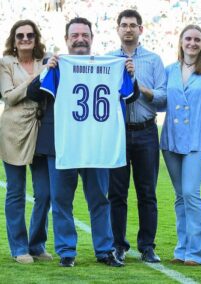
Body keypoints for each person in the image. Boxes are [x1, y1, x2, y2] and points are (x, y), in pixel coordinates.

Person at [27, 17, 138, 268]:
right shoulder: (57, 65)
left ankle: (104, 250)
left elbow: (131, 96)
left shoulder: (110, 65)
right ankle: (67, 251)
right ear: (66, 39)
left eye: (84, 35)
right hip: (63, 143)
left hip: (96, 143)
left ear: (92, 38)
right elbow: (33, 94)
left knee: (99, 198)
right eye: (75, 35)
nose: (80, 39)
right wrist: (47, 69)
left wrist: (130, 74)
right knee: (61, 200)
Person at [160, 24, 201, 266]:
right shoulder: (169, 70)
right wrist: (142, 91)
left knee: (190, 193)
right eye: (188, 38)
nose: (192, 43)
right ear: (180, 41)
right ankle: (182, 249)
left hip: (198, 141)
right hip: (172, 141)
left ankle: (197, 252)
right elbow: (161, 100)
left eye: (197, 39)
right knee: (179, 196)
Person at [108, 9, 166, 263]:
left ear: (141, 29)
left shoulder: (153, 60)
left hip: (145, 132)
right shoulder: (107, 60)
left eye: (133, 25)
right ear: (117, 29)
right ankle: (118, 245)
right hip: (117, 133)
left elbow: (163, 98)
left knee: (147, 192)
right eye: (124, 25)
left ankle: (147, 246)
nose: (128, 29)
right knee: (117, 194)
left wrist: (136, 83)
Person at [0, 20, 52, 264]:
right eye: (20, 35)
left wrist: (48, 70)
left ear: (36, 37)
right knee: (16, 192)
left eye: (30, 35)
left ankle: (37, 244)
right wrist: (37, 79)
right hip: (14, 130)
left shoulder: (47, 60)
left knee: (45, 192)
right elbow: (9, 97)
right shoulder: (5, 63)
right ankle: (19, 247)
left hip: (42, 129)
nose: (25, 39)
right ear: (14, 38)